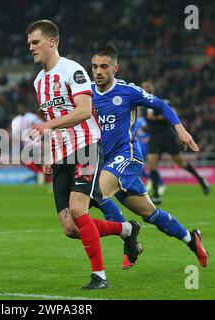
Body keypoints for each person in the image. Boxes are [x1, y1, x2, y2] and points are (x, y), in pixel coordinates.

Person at [26, 20, 141, 290]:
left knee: (78, 209)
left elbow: (84, 110)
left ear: (51, 42)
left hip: (87, 146)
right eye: (29, 43)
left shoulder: (72, 70)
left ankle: (99, 277)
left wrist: (47, 126)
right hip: (62, 154)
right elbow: (54, 118)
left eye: (35, 42)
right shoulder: (39, 81)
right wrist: (51, 156)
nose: (30, 48)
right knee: (70, 228)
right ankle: (126, 229)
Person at [91, 44, 208, 269]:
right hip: (106, 162)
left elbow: (161, 105)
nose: (98, 71)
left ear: (115, 68)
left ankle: (129, 239)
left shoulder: (128, 91)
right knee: (151, 214)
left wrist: (180, 130)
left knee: (98, 193)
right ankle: (191, 239)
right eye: (94, 66)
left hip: (128, 155)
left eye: (104, 66)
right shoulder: (87, 93)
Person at [143, 81, 210, 205]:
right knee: (152, 164)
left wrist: (156, 117)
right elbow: (149, 123)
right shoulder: (142, 106)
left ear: (152, 89)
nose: (145, 89)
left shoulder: (161, 102)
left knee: (181, 163)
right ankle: (156, 195)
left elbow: (169, 113)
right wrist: (145, 129)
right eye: (143, 87)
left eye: (148, 86)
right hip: (154, 138)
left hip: (168, 137)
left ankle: (201, 180)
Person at [10, 103, 46, 185]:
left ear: (25, 108)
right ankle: (41, 174)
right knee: (33, 161)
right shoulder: (16, 120)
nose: (20, 110)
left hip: (36, 142)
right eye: (19, 108)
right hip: (27, 144)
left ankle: (41, 174)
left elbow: (41, 125)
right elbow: (15, 134)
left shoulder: (32, 117)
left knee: (28, 159)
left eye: (22, 108)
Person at [134, 108, 166, 195]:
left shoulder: (142, 120)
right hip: (140, 145)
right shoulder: (135, 119)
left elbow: (148, 130)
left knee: (150, 165)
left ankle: (161, 184)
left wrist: (149, 138)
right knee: (140, 166)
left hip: (146, 145)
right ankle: (151, 180)